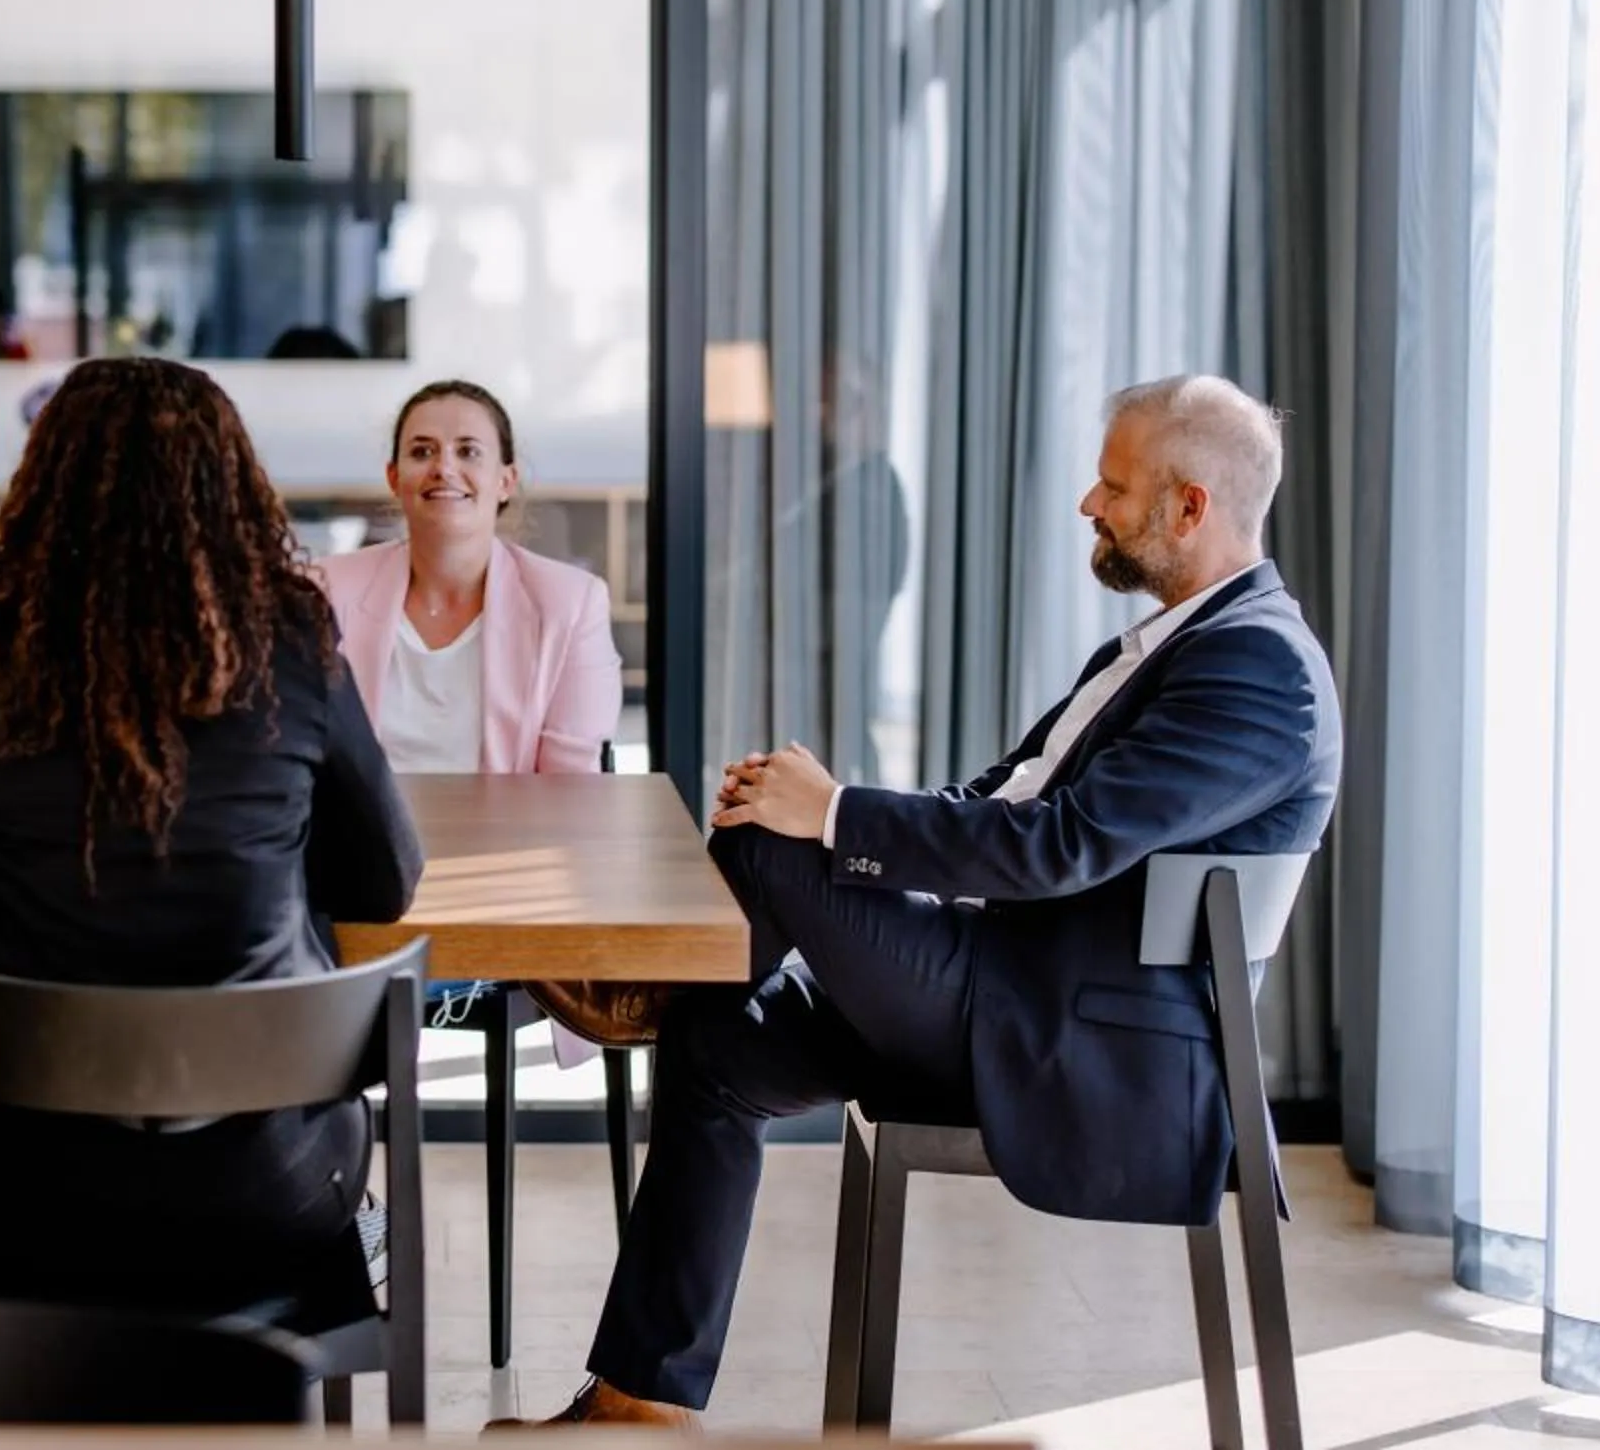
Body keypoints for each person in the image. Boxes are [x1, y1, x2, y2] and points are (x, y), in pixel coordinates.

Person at [510, 374, 1341, 1426]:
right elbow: (995, 800)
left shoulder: (1261, 669)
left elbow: (1060, 848)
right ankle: (640, 1405)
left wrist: (832, 817)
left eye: (1115, 486)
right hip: (1009, 982)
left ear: (1190, 508)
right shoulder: (1176, 642)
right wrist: (827, 806)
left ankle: (640, 988)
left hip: (1078, 1044)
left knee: (773, 845)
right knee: (721, 1039)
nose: (1090, 503)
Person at [0, 356, 426, 1317]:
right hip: (268, 1185)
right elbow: (387, 881)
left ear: (43, 484)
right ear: (230, 493)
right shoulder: (294, 641)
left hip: (20, 1189)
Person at [315, 379, 623, 778]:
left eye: (468, 451)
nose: (443, 468)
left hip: (511, 838)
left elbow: (572, 789)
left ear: (505, 481)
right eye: (422, 451)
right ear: (394, 478)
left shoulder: (572, 604)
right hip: (354, 838)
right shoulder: (324, 589)